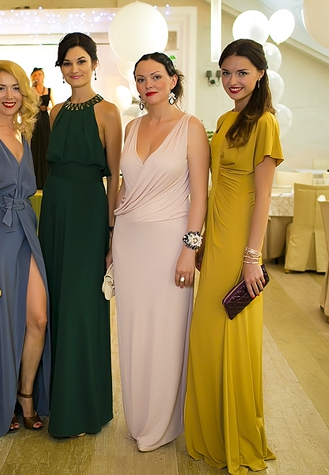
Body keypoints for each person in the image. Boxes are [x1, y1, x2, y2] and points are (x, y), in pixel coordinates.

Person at [184, 39, 283, 474]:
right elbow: (211, 188)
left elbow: (263, 198)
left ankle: (237, 437)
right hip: (217, 239)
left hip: (241, 244)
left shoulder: (266, 123)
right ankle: (210, 431)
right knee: (207, 336)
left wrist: (252, 257)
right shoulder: (225, 120)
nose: (232, 80)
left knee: (234, 336)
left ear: (260, 74)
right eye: (226, 72)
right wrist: (204, 239)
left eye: (242, 72)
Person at [113, 52, 209, 452]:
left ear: (172, 80)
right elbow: (125, 187)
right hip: (128, 242)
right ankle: (139, 419)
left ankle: (163, 423)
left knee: (168, 332)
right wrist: (111, 238)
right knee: (133, 332)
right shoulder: (131, 126)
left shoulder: (191, 127)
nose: (147, 84)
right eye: (140, 78)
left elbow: (200, 196)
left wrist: (190, 249)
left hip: (170, 242)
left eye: (155, 76)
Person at [38, 32, 122, 438]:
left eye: (81, 61)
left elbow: (115, 177)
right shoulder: (54, 112)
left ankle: (85, 408)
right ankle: (57, 401)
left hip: (89, 214)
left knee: (81, 307)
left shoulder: (108, 112)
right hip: (54, 212)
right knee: (55, 305)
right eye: (67, 63)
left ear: (94, 64)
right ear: (61, 68)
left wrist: (112, 232)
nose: (74, 69)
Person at [0, 60, 51, 442]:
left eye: (16, 88)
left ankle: (25, 393)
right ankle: (1, 404)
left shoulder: (23, 133)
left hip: (25, 229)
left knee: (38, 319)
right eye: (1, 88)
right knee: (1, 321)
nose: (9, 95)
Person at [30, 67, 55, 189]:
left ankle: (46, 179)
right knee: (35, 147)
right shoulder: (31, 91)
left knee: (46, 146)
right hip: (35, 120)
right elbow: (27, 105)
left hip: (45, 120)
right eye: (35, 75)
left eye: (39, 74)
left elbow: (55, 106)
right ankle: (36, 181)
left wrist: (47, 108)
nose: (37, 77)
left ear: (43, 76)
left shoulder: (49, 90)